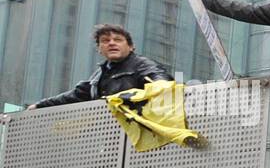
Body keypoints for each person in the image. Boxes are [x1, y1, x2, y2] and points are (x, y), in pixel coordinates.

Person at [29, 24, 169, 108]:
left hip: (137, 131)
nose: (112, 43)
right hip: (108, 134)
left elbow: (160, 80)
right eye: (105, 41)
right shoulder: (98, 76)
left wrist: (132, 96)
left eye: (118, 40)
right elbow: (75, 96)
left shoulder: (142, 65)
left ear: (131, 46)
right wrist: (40, 105)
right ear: (99, 48)